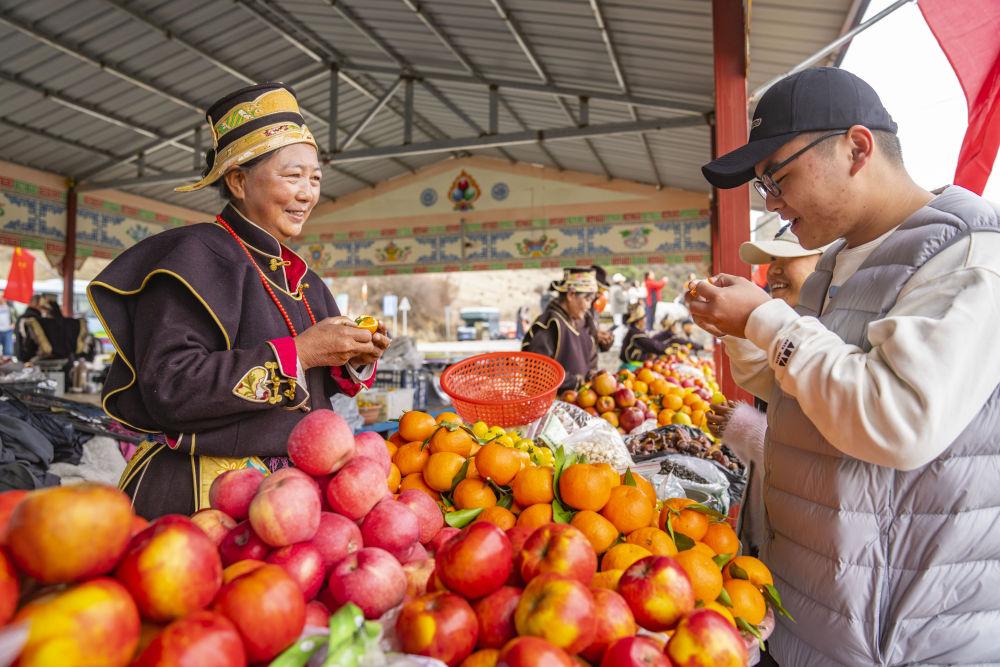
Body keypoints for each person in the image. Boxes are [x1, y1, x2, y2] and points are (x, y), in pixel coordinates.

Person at [691, 66, 1000, 664]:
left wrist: (767, 321)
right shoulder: (838, 262)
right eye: (763, 187)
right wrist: (739, 330)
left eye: (777, 177)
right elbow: (801, 396)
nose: (774, 204)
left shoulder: (968, 254)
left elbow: (896, 419)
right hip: (811, 615)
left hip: (898, 638)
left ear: (857, 148)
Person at [88, 82, 389, 518]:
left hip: (294, 495)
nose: (307, 193)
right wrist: (301, 353)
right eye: (292, 176)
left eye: (315, 178)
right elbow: (171, 387)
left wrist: (354, 354)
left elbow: (317, 385)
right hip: (202, 493)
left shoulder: (302, 278)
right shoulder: (193, 258)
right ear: (239, 181)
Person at [706, 227, 826, 553]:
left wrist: (745, 428)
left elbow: (817, 446)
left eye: (784, 258)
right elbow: (768, 384)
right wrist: (735, 329)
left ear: (827, 261)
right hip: (772, 523)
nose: (771, 269)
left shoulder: (830, 338)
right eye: (770, 259)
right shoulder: (791, 330)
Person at [522, 268, 599, 392]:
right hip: (555, 405)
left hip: (582, 400)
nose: (589, 306)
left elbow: (590, 359)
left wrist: (592, 375)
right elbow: (537, 372)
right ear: (571, 295)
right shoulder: (550, 323)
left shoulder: (583, 322)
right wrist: (574, 382)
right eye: (587, 299)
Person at [619, 302, 685, 364]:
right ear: (639, 321)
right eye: (644, 318)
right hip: (630, 367)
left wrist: (648, 355)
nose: (645, 320)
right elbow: (653, 345)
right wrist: (674, 349)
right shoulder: (636, 334)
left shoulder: (633, 331)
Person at [14, 296, 44, 361]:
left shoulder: (21, 317)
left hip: (20, 353)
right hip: (32, 355)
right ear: (38, 304)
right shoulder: (36, 318)